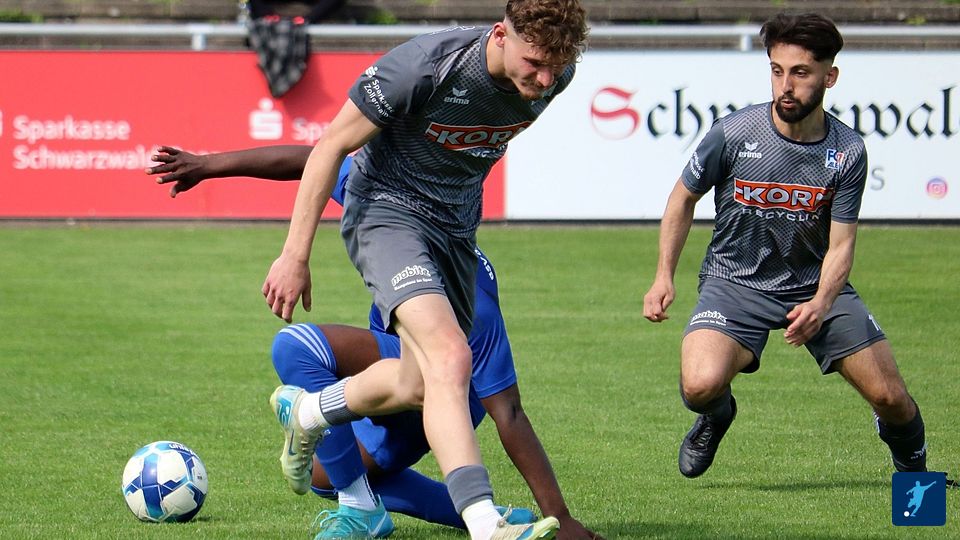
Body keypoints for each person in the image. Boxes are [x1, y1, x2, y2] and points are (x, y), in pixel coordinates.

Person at [146, 147, 602, 540]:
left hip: (442, 398)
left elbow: (509, 412)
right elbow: (314, 159)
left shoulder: (471, 301)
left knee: (297, 352)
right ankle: (482, 517)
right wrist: (208, 165)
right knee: (326, 472)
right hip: (395, 365)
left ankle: (366, 507)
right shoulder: (394, 203)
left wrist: (561, 516)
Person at [261, 1, 588, 539]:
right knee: (451, 356)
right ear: (500, 35)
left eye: (557, 66)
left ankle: (312, 411)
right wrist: (295, 254)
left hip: (455, 233)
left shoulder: (555, 76)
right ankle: (484, 523)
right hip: (386, 212)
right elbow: (330, 145)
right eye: (534, 63)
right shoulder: (425, 67)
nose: (546, 80)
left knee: (417, 383)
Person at [642, 12, 949, 483]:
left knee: (891, 399)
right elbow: (682, 198)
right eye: (777, 70)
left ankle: (915, 482)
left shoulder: (847, 151)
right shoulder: (733, 133)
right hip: (734, 283)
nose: (785, 86)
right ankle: (718, 415)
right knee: (700, 385)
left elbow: (842, 244)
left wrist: (822, 303)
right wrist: (664, 275)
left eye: (801, 73)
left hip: (813, 285)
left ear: (830, 77)